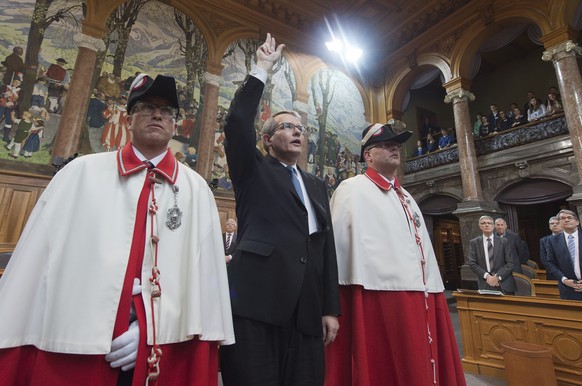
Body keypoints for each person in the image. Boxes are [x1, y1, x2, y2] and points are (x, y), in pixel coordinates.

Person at [0, 73, 234, 385]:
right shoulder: (80, 174)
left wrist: (152, 327)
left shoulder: (196, 189)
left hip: (165, 345)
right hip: (82, 341)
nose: (157, 115)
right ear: (128, 119)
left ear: (175, 126)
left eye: (167, 111)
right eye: (147, 107)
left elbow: (203, 278)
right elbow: (38, 262)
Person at [219, 33, 340, 386]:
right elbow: (237, 125)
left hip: (306, 312)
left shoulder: (317, 185)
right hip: (256, 303)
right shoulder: (252, 170)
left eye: (301, 129)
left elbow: (325, 249)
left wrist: (330, 307)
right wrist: (261, 70)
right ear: (268, 139)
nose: (298, 133)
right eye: (287, 127)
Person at [325, 122, 465, 386]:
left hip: (421, 293)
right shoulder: (352, 189)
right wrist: (333, 305)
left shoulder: (407, 196)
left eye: (396, 145)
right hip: (377, 298)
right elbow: (337, 253)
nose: (394, 149)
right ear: (367, 155)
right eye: (386, 145)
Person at [469, 215, 517, 295]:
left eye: (489, 223)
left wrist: (497, 277)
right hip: (485, 283)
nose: (486, 225)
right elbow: (472, 263)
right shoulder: (474, 243)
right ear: (480, 226)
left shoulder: (504, 241)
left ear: (493, 226)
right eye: (483, 223)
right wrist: (487, 276)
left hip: (505, 283)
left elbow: (510, 263)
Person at [544, 209, 582, 300]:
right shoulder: (552, 241)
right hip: (568, 288)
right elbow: (551, 263)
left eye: (569, 217)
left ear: (577, 222)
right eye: (562, 218)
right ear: (560, 223)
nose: (566, 220)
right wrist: (564, 280)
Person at [540, 216, 562, 281]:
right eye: (552, 224)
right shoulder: (544, 240)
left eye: (557, 223)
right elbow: (544, 259)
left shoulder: (569, 238)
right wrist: (556, 272)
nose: (554, 225)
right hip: (553, 274)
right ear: (549, 227)